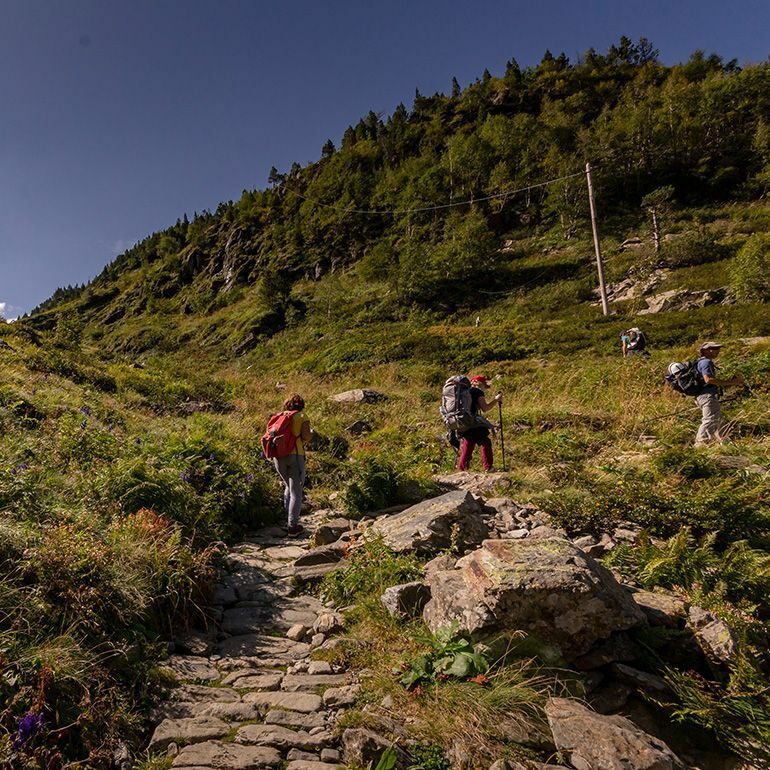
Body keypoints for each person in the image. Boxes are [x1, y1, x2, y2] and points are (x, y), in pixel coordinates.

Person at [272, 393, 312, 536]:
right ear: (301, 405)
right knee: (296, 491)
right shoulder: (302, 416)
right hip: (295, 455)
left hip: (278, 456)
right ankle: (292, 527)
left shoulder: (279, 416)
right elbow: (306, 436)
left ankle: (287, 521)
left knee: (287, 487)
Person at [694, 341, 743, 447]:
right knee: (710, 419)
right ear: (705, 351)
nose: (717, 351)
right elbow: (708, 380)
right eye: (714, 348)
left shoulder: (700, 362)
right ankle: (700, 445)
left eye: (718, 348)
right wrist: (733, 382)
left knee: (717, 419)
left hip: (702, 396)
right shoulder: (706, 362)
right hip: (707, 396)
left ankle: (724, 442)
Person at [457, 375, 502, 472]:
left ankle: (462, 469)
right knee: (486, 442)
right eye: (484, 385)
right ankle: (488, 467)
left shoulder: (465, 391)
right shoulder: (477, 391)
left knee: (469, 443)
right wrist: (496, 399)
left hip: (461, 420)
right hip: (472, 421)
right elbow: (485, 408)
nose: (485, 388)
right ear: (477, 382)